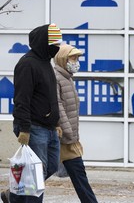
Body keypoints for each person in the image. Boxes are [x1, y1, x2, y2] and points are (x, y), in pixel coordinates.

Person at [1, 23, 63, 203]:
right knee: (36, 173)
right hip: (34, 127)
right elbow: (22, 99)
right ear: (44, 42)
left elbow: (50, 96)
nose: (57, 47)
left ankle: (12, 195)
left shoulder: (46, 63)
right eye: (54, 43)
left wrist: (56, 122)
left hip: (49, 127)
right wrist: (25, 129)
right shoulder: (27, 64)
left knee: (50, 167)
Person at [53, 44, 98, 203]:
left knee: (77, 174)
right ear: (63, 59)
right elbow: (58, 107)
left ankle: (12, 195)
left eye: (78, 58)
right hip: (64, 138)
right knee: (77, 173)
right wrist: (69, 134)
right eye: (73, 57)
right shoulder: (56, 77)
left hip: (67, 136)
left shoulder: (66, 78)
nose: (76, 61)